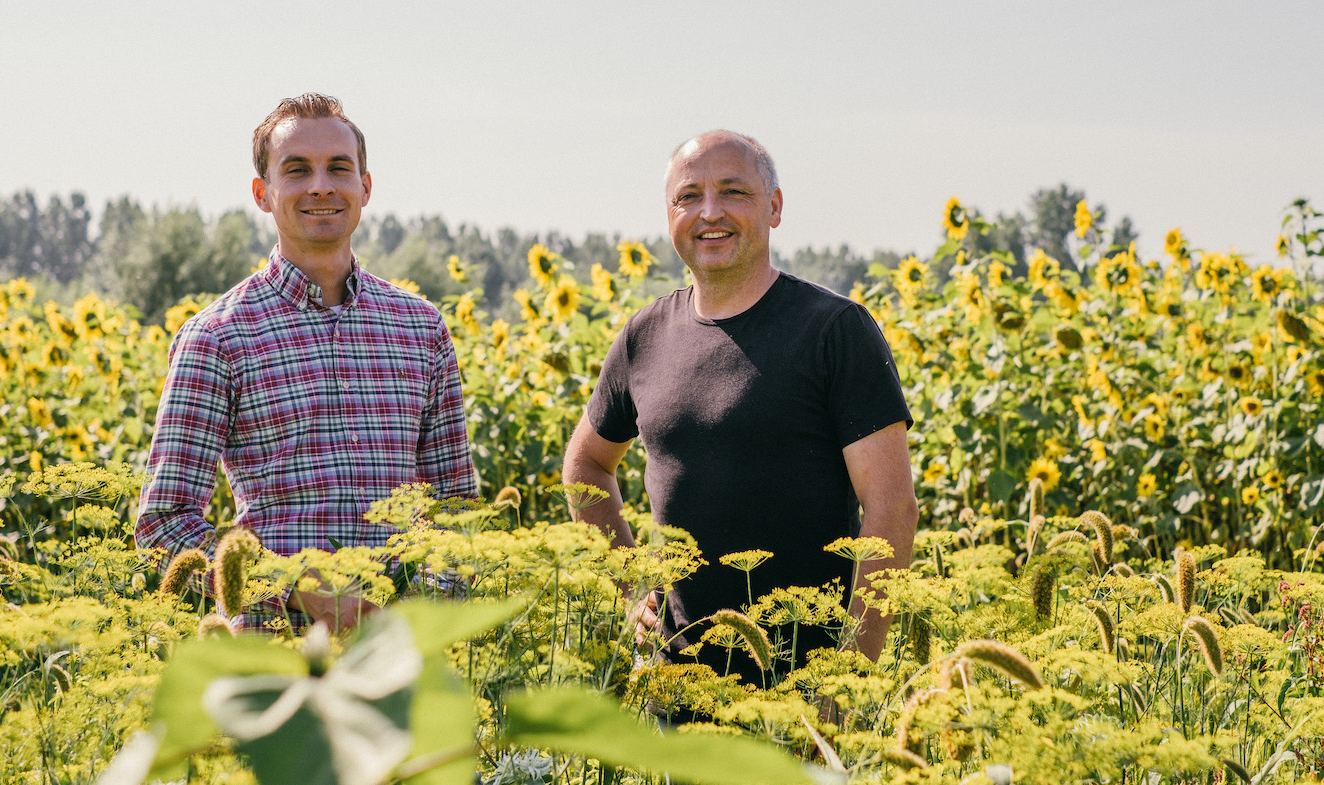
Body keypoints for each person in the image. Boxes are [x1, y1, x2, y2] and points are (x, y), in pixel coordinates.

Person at [561, 130, 917, 680]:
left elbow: (892, 506)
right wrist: (633, 589)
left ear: (774, 207)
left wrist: (849, 678)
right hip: (681, 684)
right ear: (670, 214)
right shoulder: (645, 335)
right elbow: (585, 466)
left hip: (803, 689)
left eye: (733, 192)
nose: (710, 212)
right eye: (688, 196)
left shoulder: (835, 331)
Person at [136, 93, 477, 634]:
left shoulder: (421, 328)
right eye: (297, 170)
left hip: (402, 666)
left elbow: (455, 507)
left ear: (365, 186)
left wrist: (421, 618)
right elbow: (164, 528)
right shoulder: (218, 337)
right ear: (263, 194)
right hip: (274, 663)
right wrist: (294, 590)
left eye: (338, 168)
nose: (321, 185)